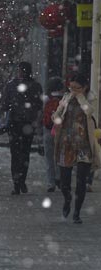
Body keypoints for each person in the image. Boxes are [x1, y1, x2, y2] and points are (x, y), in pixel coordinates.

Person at [52, 73, 101, 223]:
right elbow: (57, 114)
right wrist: (56, 117)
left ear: (84, 87)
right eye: (71, 87)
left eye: (77, 87)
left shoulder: (91, 98)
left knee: (81, 181)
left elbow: (89, 111)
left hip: (84, 144)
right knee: (64, 182)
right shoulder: (67, 97)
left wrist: (80, 97)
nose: (73, 90)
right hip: (66, 143)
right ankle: (67, 199)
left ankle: (77, 213)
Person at [1, 61, 43, 195]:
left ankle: (17, 183)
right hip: (27, 124)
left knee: (16, 154)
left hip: (15, 124)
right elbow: (39, 105)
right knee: (24, 154)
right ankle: (21, 181)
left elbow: (4, 105)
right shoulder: (35, 86)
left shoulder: (11, 86)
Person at [42, 76, 65, 192]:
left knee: (49, 157)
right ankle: (60, 178)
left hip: (48, 130)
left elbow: (41, 115)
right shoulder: (64, 99)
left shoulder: (46, 98)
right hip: (61, 131)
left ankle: (51, 182)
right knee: (61, 156)